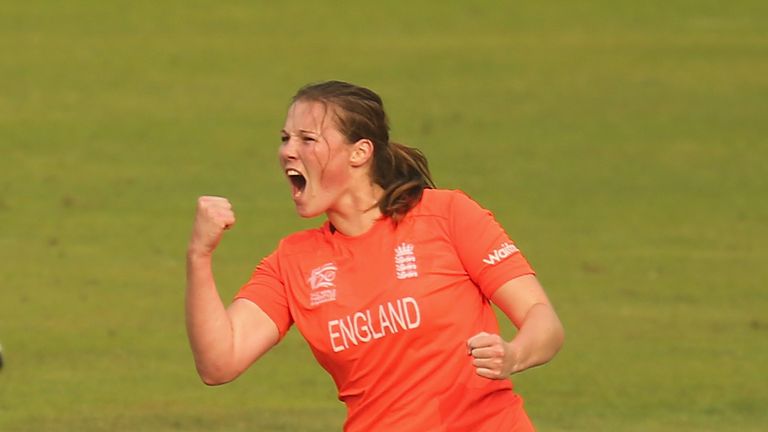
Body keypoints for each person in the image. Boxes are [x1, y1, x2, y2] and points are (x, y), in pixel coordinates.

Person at [186, 80, 564, 431]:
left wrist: (513, 356)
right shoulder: (293, 262)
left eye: (307, 139)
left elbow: (543, 322)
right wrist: (200, 256)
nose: (288, 150)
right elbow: (220, 363)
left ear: (360, 152)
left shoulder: (447, 215)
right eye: (285, 138)